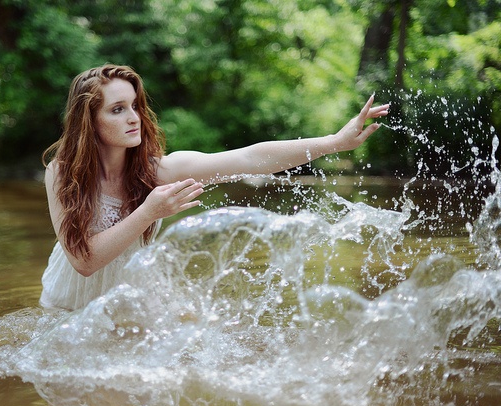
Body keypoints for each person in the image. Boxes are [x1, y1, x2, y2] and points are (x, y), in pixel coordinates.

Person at [40, 64, 389, 311]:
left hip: (131, 302)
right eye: (117, 109)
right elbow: (84, 261)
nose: (134, 117)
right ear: (90, 120)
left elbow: (250, 159)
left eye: (134, 106)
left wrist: (333, 142)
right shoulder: (61, 173)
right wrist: (149, 212)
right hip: (68, 305)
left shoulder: (160, 170)